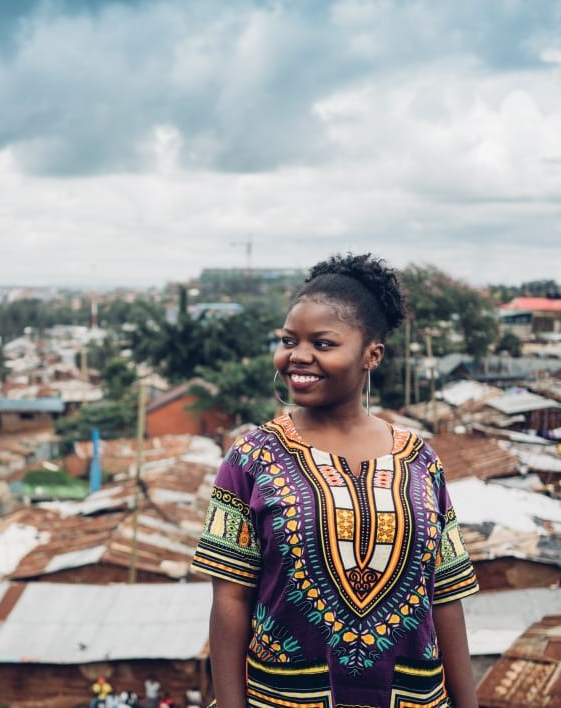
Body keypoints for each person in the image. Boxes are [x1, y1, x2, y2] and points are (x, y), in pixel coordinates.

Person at [191, 253, 479, 708]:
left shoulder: (421, 461)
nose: (298, 356)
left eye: (323, 343)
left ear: (372, 355)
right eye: (289, 340)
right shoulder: (250, 459)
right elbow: (229, 599)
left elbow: (444, 596)